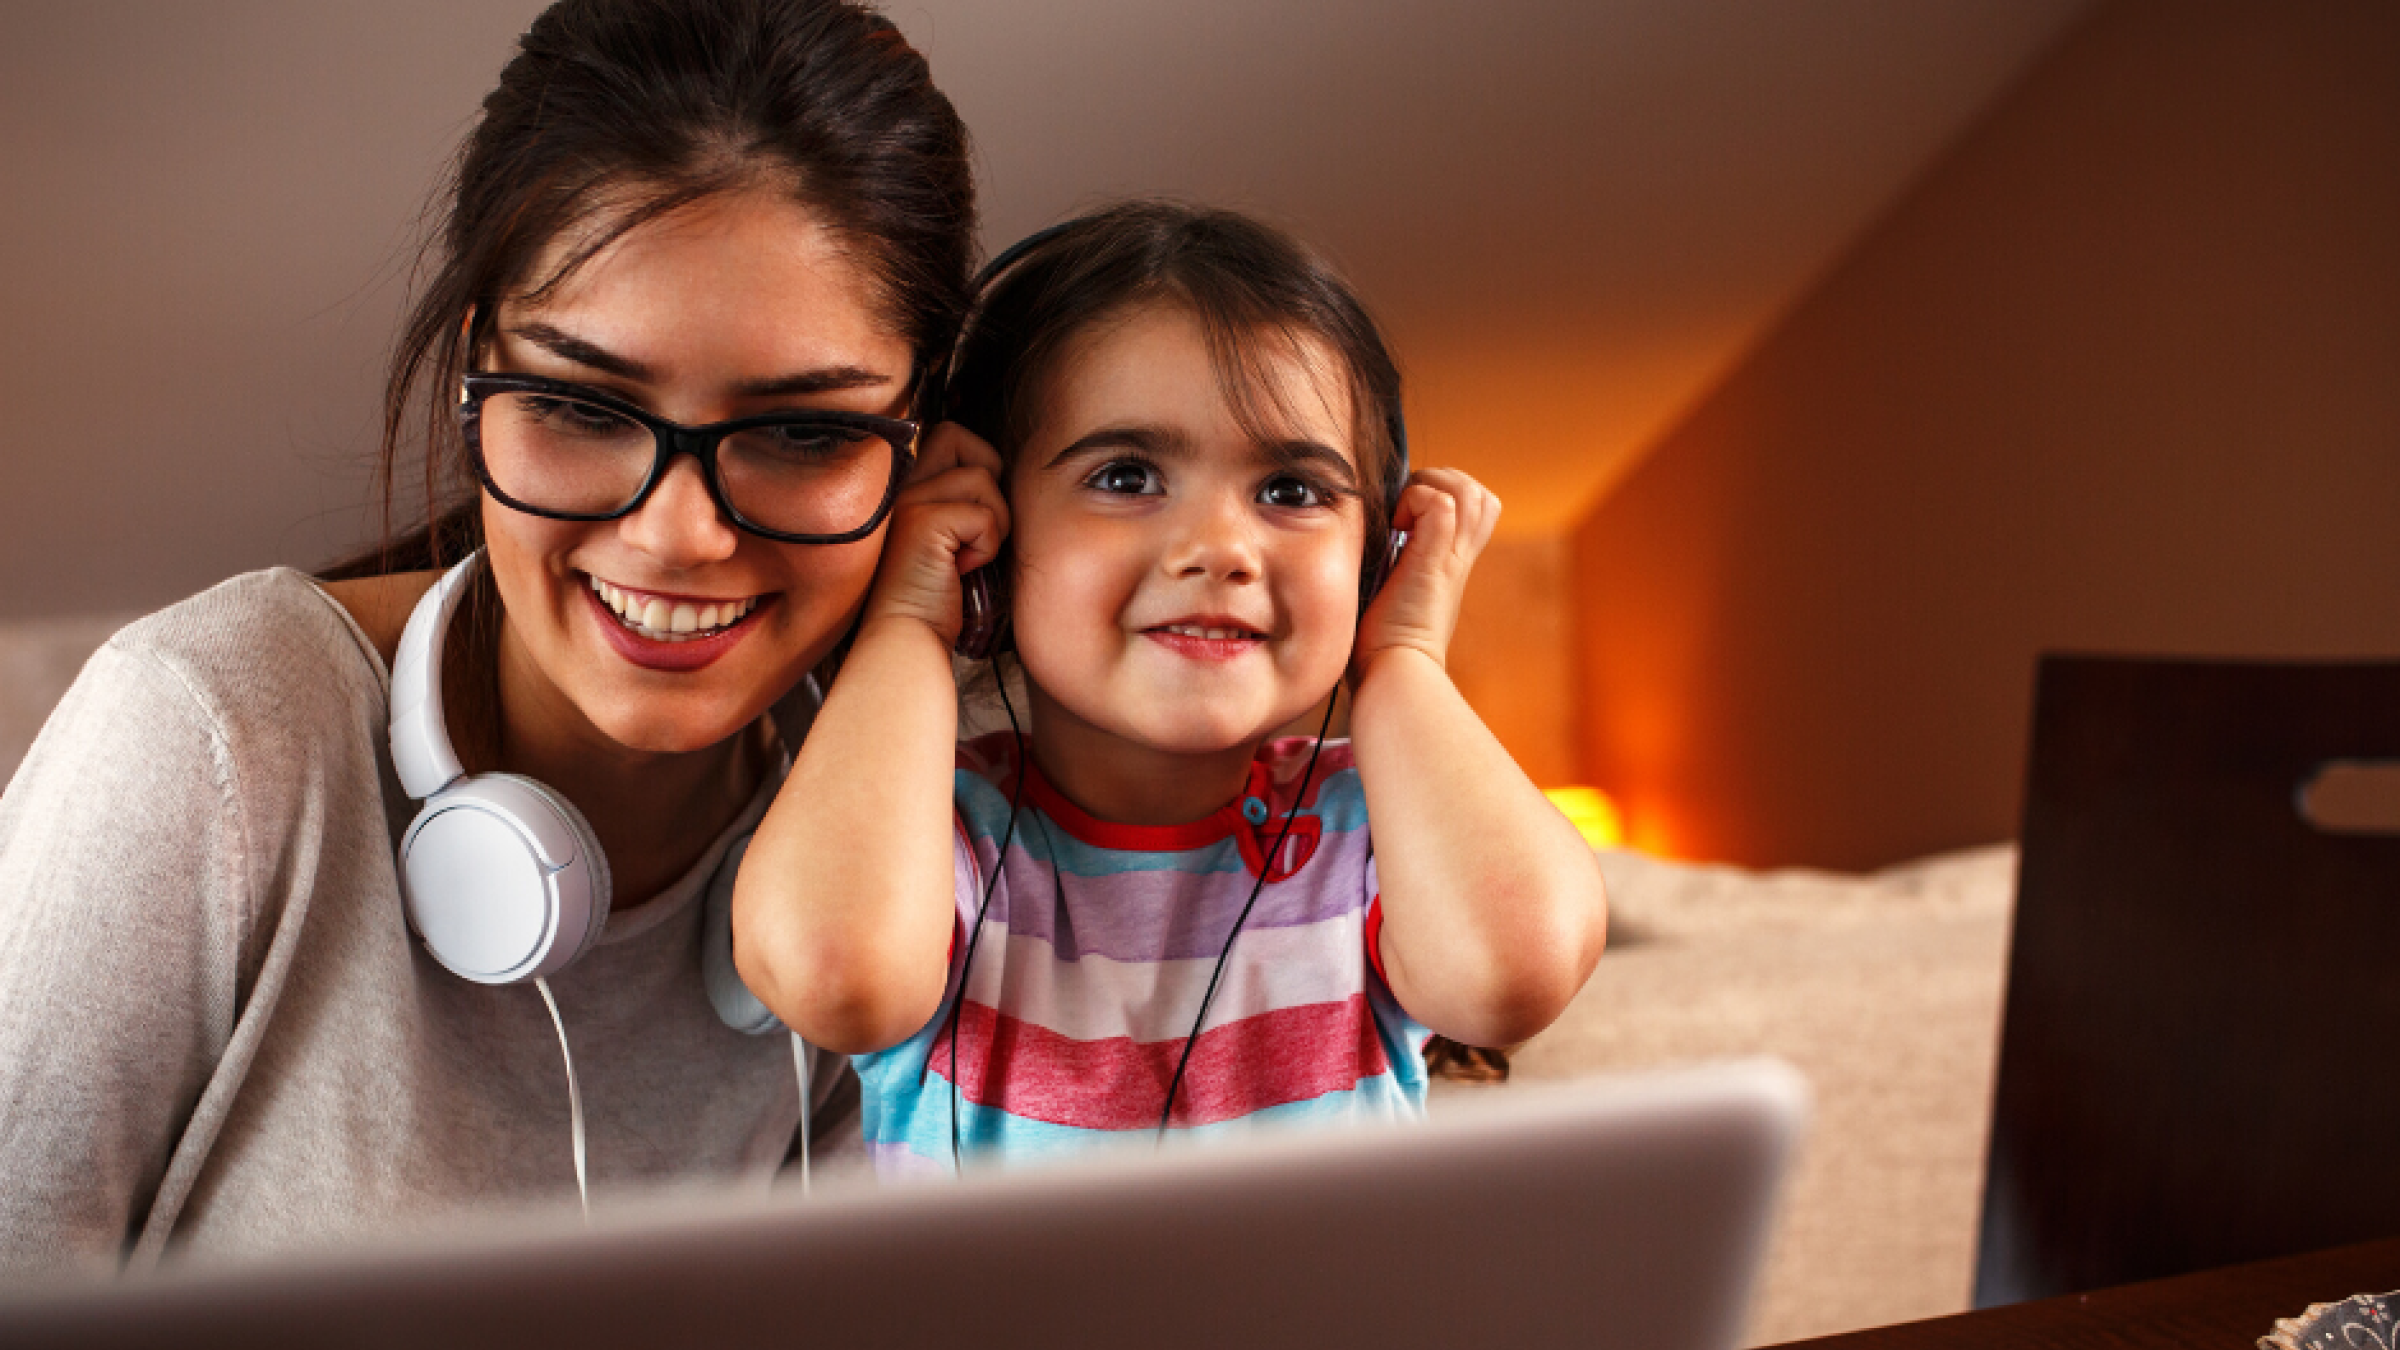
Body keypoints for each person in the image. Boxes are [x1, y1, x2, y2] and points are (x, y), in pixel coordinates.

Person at [0, 0, 974, 1273]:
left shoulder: (923, 842)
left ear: (927, 442)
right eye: (578, 405)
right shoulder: (209, 740)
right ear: (476, 387)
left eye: (803, 434)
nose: (678, 534)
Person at [729, 203, 1609, 1176]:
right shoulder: (933, 836)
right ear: (990, 536)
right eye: (1128, 474)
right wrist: (906, 620)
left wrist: (1400, 657)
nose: (1221, 550)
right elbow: (831, 971)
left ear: (1372, 560)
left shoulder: (1368, 831)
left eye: (1290, 491)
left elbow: (1515, 971)